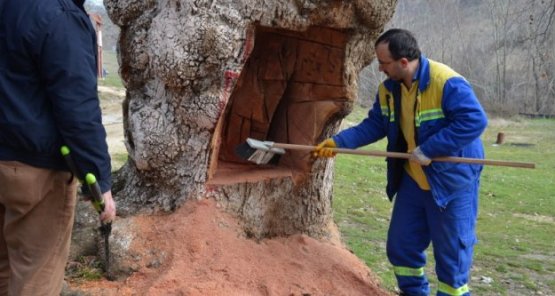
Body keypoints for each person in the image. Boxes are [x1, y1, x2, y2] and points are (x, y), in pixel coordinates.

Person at [314, 29, 487, 296]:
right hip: (413, 181)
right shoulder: (388, 90)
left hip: (451, 182)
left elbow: (474, 121)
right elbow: (374, 125)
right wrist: (339, 143)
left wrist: (431, 148)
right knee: (401, 245)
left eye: (384, 62)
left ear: (403, 62)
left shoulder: (447, 82)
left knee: (452, 255)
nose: (380, 68)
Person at [0, 0, 116, 294]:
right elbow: (78, 111)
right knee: (36, 277)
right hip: (36, 173)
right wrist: (99, 181)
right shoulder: (61, 17)